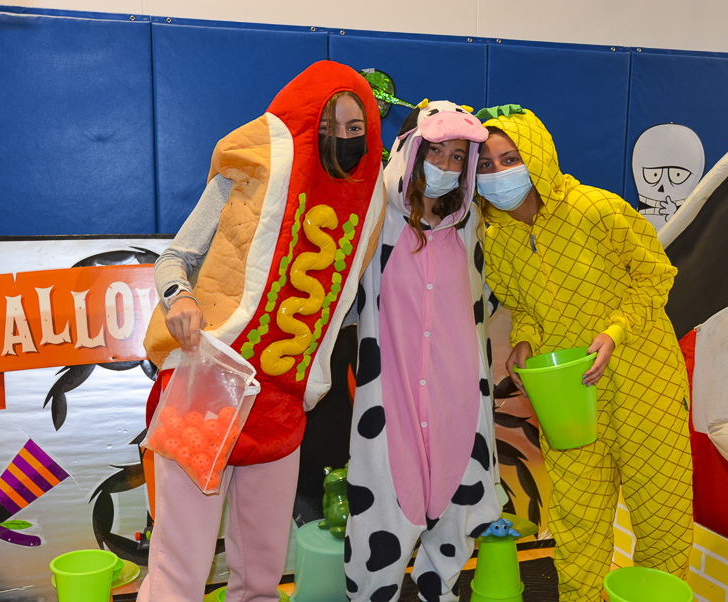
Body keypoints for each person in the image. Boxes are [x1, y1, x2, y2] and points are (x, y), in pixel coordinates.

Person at [138, 60, 386, 602]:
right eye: (327, 127)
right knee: (179, 571)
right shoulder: (249, 170)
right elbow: (175, 258)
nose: (341, 139)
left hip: (281, 405)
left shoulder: (365, 209)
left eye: (354, 129)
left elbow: (344, 306)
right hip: (207, 384)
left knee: (261, 578)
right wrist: (180, 298)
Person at [475, 106, 693, 602]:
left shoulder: (598, 209)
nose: (498, 173)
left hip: (644, 381)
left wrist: (617, 330)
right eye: (485, 165)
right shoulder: (498, 238)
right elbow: (523, 305)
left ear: (537, 157)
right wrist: (524, 340)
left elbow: (656, 275)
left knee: (662, 516)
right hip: (568, 395)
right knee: (577, 521)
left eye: (510, 158)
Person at [344, 100, 502, 602]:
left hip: (457, 396)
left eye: (458, 157)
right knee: (383, 513)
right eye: (436, 152)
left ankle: (440, 590)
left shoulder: (468, 222)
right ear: (411, 150)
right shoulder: (376, 216)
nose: (446, 166)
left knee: (455, 513)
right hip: (392, 398)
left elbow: (485, 297)